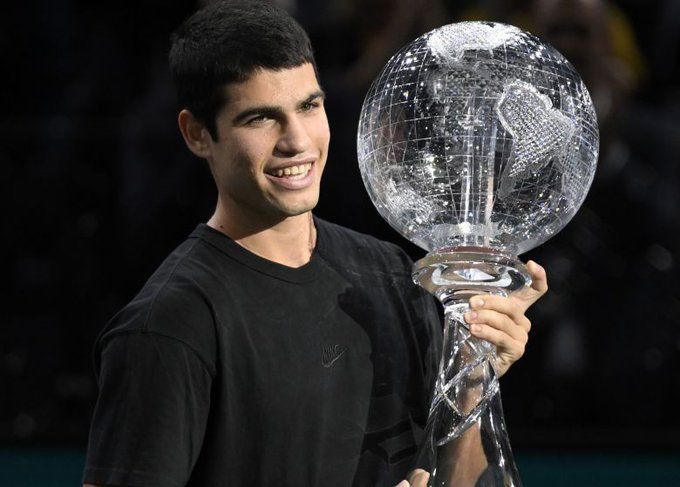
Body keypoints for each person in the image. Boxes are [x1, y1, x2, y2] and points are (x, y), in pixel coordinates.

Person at [82, 1, 547, 486]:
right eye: (260, 118)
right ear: (197, 133)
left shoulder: (390, 273)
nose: (297, 141)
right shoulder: (170, 324)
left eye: (309, 106)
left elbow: (454, 476)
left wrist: (473, 376)